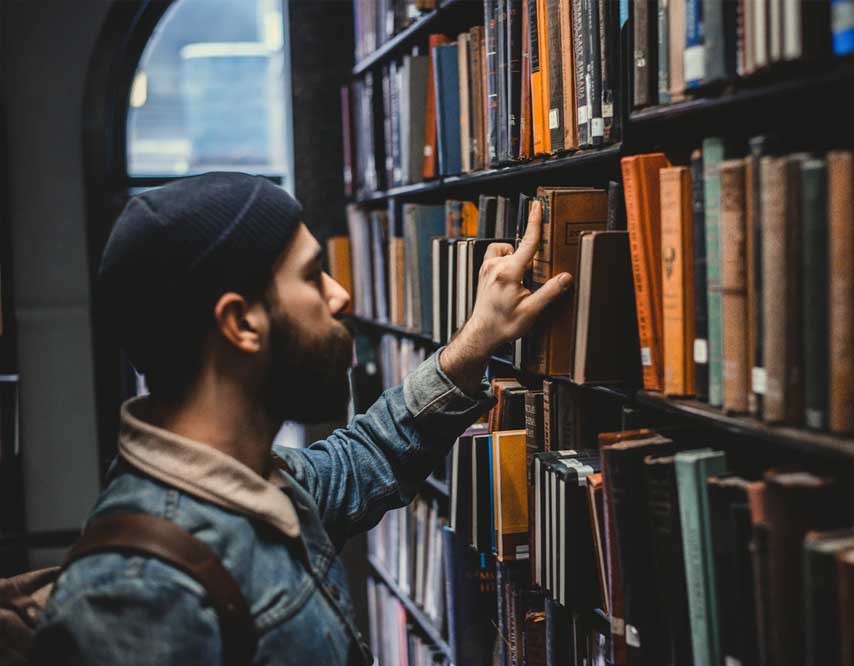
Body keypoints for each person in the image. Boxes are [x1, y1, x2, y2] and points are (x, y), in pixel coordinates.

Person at [32, 172, 572, 664]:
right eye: (313, 276)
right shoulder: (136, 596)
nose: (340, 296)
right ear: (241, 322)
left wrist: (476, 341)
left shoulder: (265, 483)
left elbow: (371, 453)